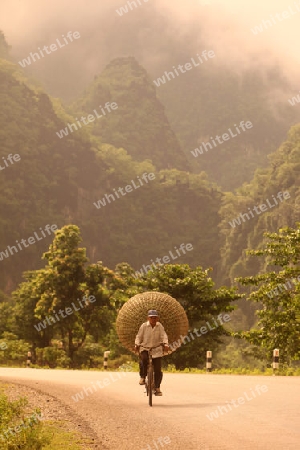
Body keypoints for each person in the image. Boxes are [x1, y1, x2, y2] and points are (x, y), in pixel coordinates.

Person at [134, 309, 169, 396]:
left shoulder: (159, 326)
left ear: (157, 318)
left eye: (155, 318)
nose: (153, 319)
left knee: (158, 369)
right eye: (151, 318)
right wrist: (137, 344)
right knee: (143, 360)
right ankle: (143, 376)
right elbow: (139, 336)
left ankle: (157, 387)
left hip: (156, 349)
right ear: (148, 318)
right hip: (145, 348)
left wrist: (166, 344)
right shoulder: (144, 326)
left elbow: (164, 335)